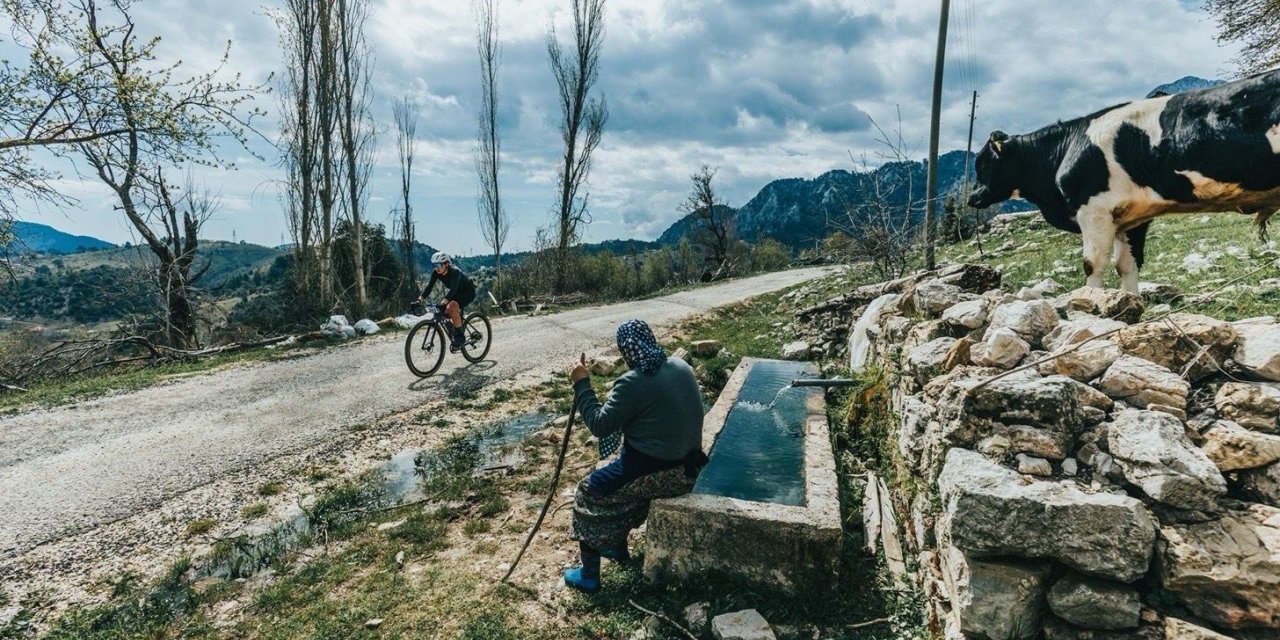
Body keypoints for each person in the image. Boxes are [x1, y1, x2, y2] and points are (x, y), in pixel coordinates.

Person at [563, 319, 707, 594]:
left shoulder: (634, 382)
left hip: (663, 473)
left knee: (588, 490)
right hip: (690, 466)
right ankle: (615, 546)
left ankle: (589, 575)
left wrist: (582, 384)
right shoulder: (680, 366)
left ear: (626, 350)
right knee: (616, 470)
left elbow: (600, 424)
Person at [417, 251, 476, 351]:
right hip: (456, 292)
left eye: (439, 265)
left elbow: (453, 289)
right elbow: (429, 287)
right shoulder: (436, 272)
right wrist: (419, 300)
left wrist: (444, 302)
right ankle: (454, 330)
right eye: (434, 266)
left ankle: (459, 337)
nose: (437, 268)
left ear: (446, 264)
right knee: (444, 311)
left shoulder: (455, 271)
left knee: (451, 307)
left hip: (468, 292)